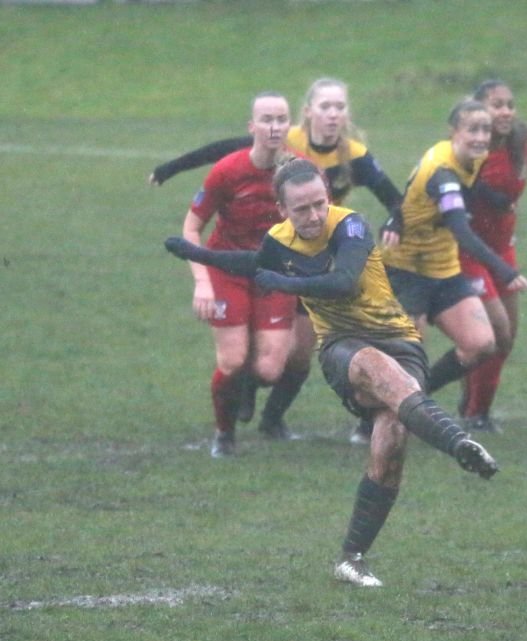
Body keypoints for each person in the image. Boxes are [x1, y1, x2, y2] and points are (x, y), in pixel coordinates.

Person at [164, 158, 498, 587]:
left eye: (319, 204)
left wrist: (283, 284)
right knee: (381, 371)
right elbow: (252, 263)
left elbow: (341, 282)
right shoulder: (278, 241)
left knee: (391, 441)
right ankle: (458, 444)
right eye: (301, 209)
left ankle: (351, 558)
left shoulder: (351, 226)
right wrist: (195, 253)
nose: (314, 215)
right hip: (342, 345)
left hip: (400, 339)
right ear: (283, 210)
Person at [150, 78, 403, 442]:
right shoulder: (271, 152)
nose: (332, 114)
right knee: (237, 358)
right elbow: (220, 153)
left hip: (292, 264)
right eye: (325, 106)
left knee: (285, 362)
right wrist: (172, 168)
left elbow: (369, 205)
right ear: (307, 113)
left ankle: (270, 413)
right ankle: (229, 425)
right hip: (249, 263)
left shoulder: (348, 157)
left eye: (339, 107)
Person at [348, 99, 527, 443]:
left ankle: (412, 400)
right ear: (454, 132)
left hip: (444, 270)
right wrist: (504, 271)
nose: (480, 137)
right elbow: (461, 229)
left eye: (485, 130)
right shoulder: (443, 170)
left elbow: (420, 193)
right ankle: (368, 416)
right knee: (407, 357)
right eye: (472, 130)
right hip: (406, 271)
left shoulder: (466, 159)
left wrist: (398, 216)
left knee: (482, 343)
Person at [177, 91, 298, 458]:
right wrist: (201, 283)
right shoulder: (228, 171)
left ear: (289, 125)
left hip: (274, 274)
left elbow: (317, 225)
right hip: (227, 269)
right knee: (231, 361)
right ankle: (224, 433)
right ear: (252, 126)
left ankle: (246, 387)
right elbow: (190, 229)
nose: (274, 126)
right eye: (267, 119)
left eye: (281, 119)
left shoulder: (300, 172)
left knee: (270, 370)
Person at [458, 80, 527, 433]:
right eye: (495, 105)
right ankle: (475, 413)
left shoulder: (523, 143)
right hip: (469, 251)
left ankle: (474, 407)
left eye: (509, 104)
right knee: (494, 333)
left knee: (506, 338)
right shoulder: (466, 149)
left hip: (503, 249)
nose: (505, 111)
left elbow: (514, 194)